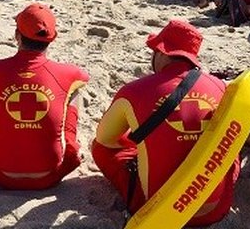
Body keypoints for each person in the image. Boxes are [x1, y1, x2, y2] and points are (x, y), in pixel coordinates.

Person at [92, 20, 239, 226]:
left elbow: (105, 139)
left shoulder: (133, 91)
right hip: (214, 209)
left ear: (161, 53)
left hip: (161, 210)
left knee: (100, 148)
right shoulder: (220, 86)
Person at [0, 3, 89, 189]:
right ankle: (70, 138)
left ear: (16, 36)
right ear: (53, 38)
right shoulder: (69, 73)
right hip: (51, 174)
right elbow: (84, 78)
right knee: (74, 90)